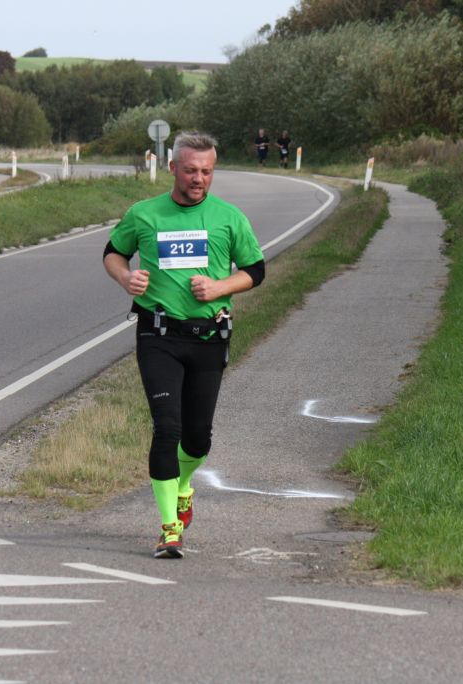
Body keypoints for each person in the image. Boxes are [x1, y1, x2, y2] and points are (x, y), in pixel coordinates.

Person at [103, 131, 265, 559]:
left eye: (207, 172)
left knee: (197, 439)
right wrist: (126, 277)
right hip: (158, 335)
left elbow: (255, 270)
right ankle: (169, 529)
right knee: (167, 429)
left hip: (209, 337)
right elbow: (113, 253)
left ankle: (184, 486)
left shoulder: (229, 218)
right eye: (191, 170)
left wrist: (219, 287)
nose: (199, 179)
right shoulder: (144, 214)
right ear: (173, 167)